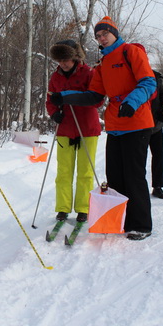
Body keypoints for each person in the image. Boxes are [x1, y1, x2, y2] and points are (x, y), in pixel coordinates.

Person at [50, 16, 156, 240]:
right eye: (98, 36)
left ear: (114, 33)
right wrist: (64, 96)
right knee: (115, 176)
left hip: (136, 122)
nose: (101, 38)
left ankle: (141, 225)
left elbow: (148, 82)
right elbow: (94, 96)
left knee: (134, 175)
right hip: (116, 125)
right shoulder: (103, 63)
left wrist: (132, 102)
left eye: (104, 34)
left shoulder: (131, 52)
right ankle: (121, 219)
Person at [46, 39, 102, 223]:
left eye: (66, 59)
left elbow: (97, 100)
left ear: (75, 57)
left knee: (85, 172)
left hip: (87, 128)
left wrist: (70, 97)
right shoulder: (55, 77)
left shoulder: (89, 73)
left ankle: (83, 208)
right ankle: (63, 208)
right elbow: (49, 100)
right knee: (63, 172)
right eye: (60, 60)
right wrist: (54, 113)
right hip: (65, 129)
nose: (63, 63)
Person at [149, 70, 163, 199]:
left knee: (159, 155)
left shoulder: (156, 77)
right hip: (139, 125)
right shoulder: (133, 74)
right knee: (138, 158)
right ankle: (136, 187)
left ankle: (158, 187)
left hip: (156, 123)